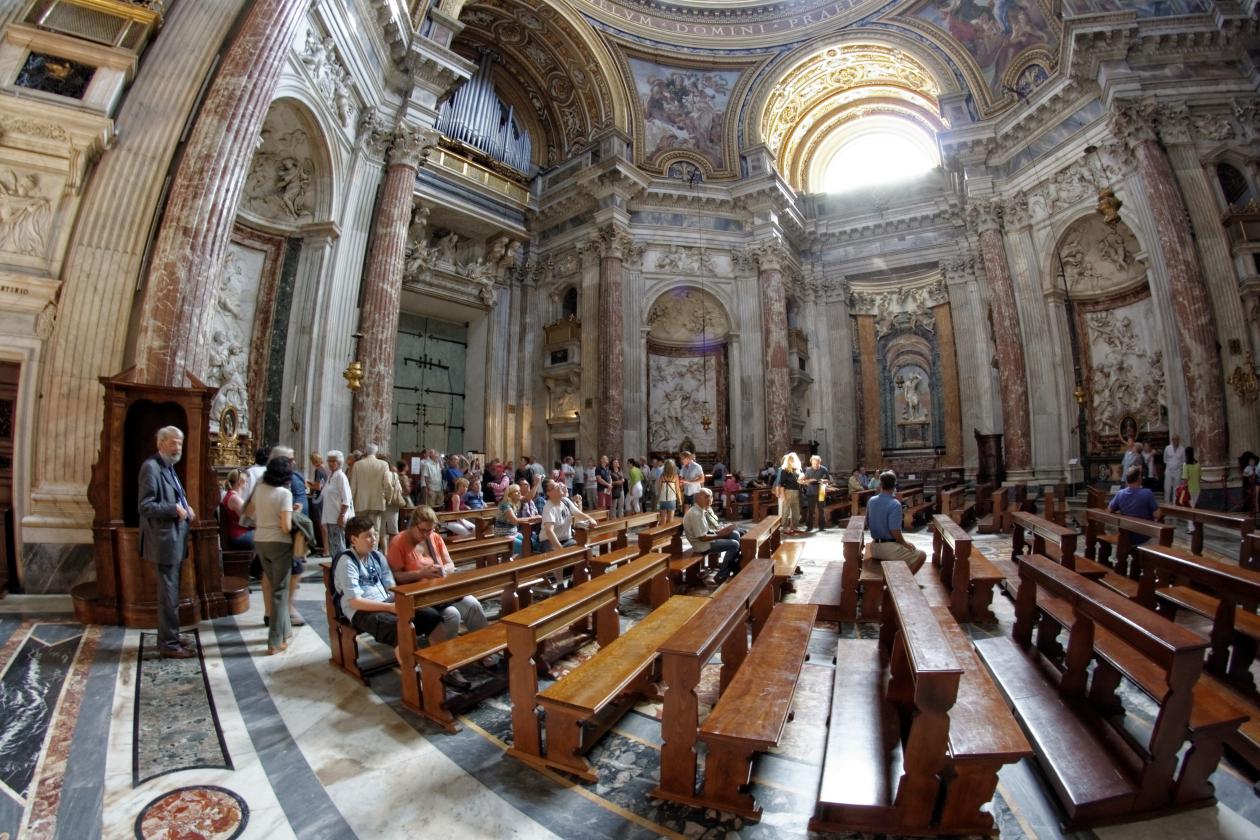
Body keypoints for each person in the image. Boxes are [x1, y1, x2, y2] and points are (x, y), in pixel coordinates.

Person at [333, 517, 457, 677]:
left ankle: (442, 667)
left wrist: (398, 603)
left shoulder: (377, 556)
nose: (373, 539)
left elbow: (390, 586)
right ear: (354, 539)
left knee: (431, 617)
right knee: (400, 629)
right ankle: (416, 681)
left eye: (374, 534)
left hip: (386, 602)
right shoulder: (347, 562)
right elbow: (355, 602)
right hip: (362, 611)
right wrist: (390, 608)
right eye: (368, 536)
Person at [387, 506, 490, 682]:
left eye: (431, 529)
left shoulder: (434, 538)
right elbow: (396, 576)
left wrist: (443, 569)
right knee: (453, 614)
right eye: (423, 530)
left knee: (473, 605)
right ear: (413, 525)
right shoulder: (399, 542)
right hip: (418, 595)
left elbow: (450, 563)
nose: (427, 534)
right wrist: (420, 574)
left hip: (441, 590)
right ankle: (445, 663)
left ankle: (483, 650)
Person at [138, 426, 198, 659]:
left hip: (174, 540)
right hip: (164, 541)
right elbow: (145, 506)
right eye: (173, 443)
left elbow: (175, 496)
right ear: (160, 443)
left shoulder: (168, 467)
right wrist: (174, 509)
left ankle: (169, 636)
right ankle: (169, 645)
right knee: (168, 596)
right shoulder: (151, 468)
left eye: (180, 444)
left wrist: (185, 505)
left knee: (171, 594)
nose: (177, 448)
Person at [253, 456, 295, 654]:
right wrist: (294, 515)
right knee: (280, 592)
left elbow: (253, 513)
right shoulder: (284, 494)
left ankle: (285, 632)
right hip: (279, 543)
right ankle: (274, 642)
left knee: (275, 586)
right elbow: (286, 526)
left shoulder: (260, 489)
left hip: (260, 541)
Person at [867, 471, 926, 573]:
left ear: (880, 484)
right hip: (888, 550)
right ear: (895, 486)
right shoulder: (895, 504)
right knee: (921, 555)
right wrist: (905, 543)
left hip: (874, 547)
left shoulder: (871, 500)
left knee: (904, 550)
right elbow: (895, 531)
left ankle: (897, 578)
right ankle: (905, 583)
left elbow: (868, 522)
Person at [683, 488, 744, 586]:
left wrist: (721, 531)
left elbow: (706, 530)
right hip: (701, 545)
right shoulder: (695, 514)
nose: (710, 499)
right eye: (706, 497)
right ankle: (722, 574)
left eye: (710, 496)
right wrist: (720, 535)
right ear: (698, 498)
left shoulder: (701, 510)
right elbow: (702, 538)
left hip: (706, 540)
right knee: (734, 544)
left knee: (735, 534)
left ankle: (728, 567)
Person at [541, 479, 596, 553]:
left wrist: (591, 519)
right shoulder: (548, 508)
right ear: (548, 493)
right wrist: (560, 550)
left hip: (567, 540)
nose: (558, 485)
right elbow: (549, 531)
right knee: (564, 559)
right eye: (554, 486)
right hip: (549, 542)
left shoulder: (565, 501)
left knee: (585, 551)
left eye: (557, 483)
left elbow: (579, 514)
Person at [1108, 465, 1160, 546]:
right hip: (1144, 537)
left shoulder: (1120, 493)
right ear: (1139, 479)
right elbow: (1157, 514)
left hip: (1125, 536)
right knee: (1160, 537)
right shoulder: (1147, 493)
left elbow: (1110, 509)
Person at [350, 443, 391, 538]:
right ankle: (373, 550)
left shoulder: (357, 465)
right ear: (376, 452)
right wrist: (388, 498)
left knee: (360, 528)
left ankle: (361, 549)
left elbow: (353, 486)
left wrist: (350, 501)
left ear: (365, 452)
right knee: (375, 529)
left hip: (360, 502)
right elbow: (388, 483)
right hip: (377, 502)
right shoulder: (383, 464)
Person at [321, 450, 353, 558]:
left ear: (339, 462)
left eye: (333, 461)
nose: (330, 463)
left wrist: (342, 515)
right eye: (329, 460)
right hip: (330, 517)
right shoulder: (331, 475)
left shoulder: (341, 477)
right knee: (334, 546)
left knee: (338, 546)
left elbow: (346, 499)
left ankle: (340, 569)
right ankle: (335, 569)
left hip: (337, 517)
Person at [219, 469, 253, 551]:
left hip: (238, 533)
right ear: (240, 482)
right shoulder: (234, 498)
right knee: (268, 537)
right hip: (239, 535)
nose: (247, 484)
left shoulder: (231, 495)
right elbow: (249, 521)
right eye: (246, 481)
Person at [775, 452, 804, 535]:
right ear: (788, 460)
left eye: (794, 459)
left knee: (796, 510)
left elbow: (800, 480)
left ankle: (795, 526)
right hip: (788, 491)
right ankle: (784, 527)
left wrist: (803, 480)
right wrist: (783, 495)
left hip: (797, 491)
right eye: (791, 460)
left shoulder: (797, 470)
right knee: (786, 510)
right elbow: (781, 483)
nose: (792, 461)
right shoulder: (784, 470)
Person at [802, 455, 831, 532]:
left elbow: (828, 480)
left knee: (821, 509)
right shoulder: (808, 470)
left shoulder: (823, 469)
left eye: (817, 463)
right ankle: (809, 526)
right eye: (814, 463)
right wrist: (809, 481)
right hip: (811, 492)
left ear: (819, 462)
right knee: (810, 510)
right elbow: (804, 481)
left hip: (821, 491)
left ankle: (821, 527)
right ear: (811, 462)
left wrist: (824, 481)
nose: (815, 464)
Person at [308, 452, 328, 554]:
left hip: (318, 498)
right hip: (323, 497)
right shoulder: (325, 469)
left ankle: (324, 547)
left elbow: (318, 486)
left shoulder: (318, 470)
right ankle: (325, 547)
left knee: (320, 523)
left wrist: (308, 484)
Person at [657, 458, 682, 524]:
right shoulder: (675, 476)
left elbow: (659, 488)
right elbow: (677, 489)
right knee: (670, 520)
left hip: (662, 499)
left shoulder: (662, 476)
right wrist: (680, 500)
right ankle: (669, 533)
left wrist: (658, 499)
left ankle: (663, 533)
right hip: (672, 499)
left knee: (663, 520)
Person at [1183, 447, 1201, 531]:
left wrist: (1183, 487)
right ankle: (1193, 526)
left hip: (1189, 489)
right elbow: (1199, 476)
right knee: (1193, 507)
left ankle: (1191, 528)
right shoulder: (1197, 464)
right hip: (1197, 488)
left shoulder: (1186, 465)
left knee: (1190, 508)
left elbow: (1185, 478)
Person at [1163, 434, 1185, 504]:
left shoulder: (1182, 449)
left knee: (1176, 488)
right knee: (1167, 488)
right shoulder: (1167, 448)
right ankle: (1167, 503)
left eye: (1177, 439)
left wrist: (1177, 465)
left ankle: (1175, 503)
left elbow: (1183, 460)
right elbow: (1165, 459)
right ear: (1172, 440)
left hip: (1177, 471)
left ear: (1179, 440)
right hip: (1168, 470)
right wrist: (1170, 464)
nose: (1176, 441)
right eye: (1174, 440)